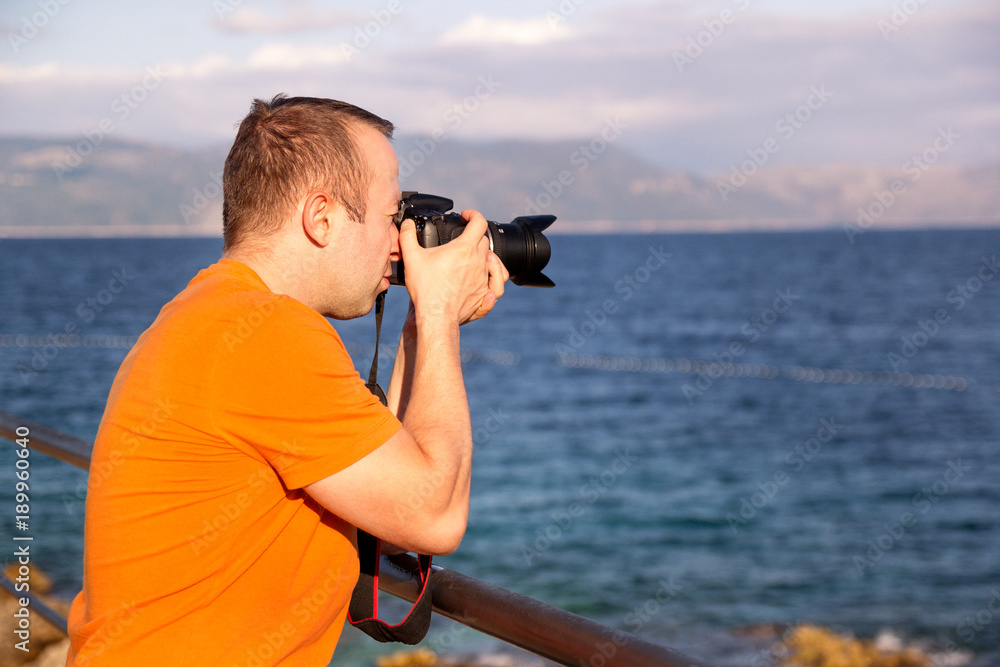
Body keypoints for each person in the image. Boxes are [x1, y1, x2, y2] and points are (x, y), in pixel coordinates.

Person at [66, 94, 509, 665]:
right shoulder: (266, 334)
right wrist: (442, 314)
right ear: (321, 218)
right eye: (389, 216)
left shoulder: (213, 315)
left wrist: (422, 327)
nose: (399, 241)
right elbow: (434, 514)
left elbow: (390, 509)